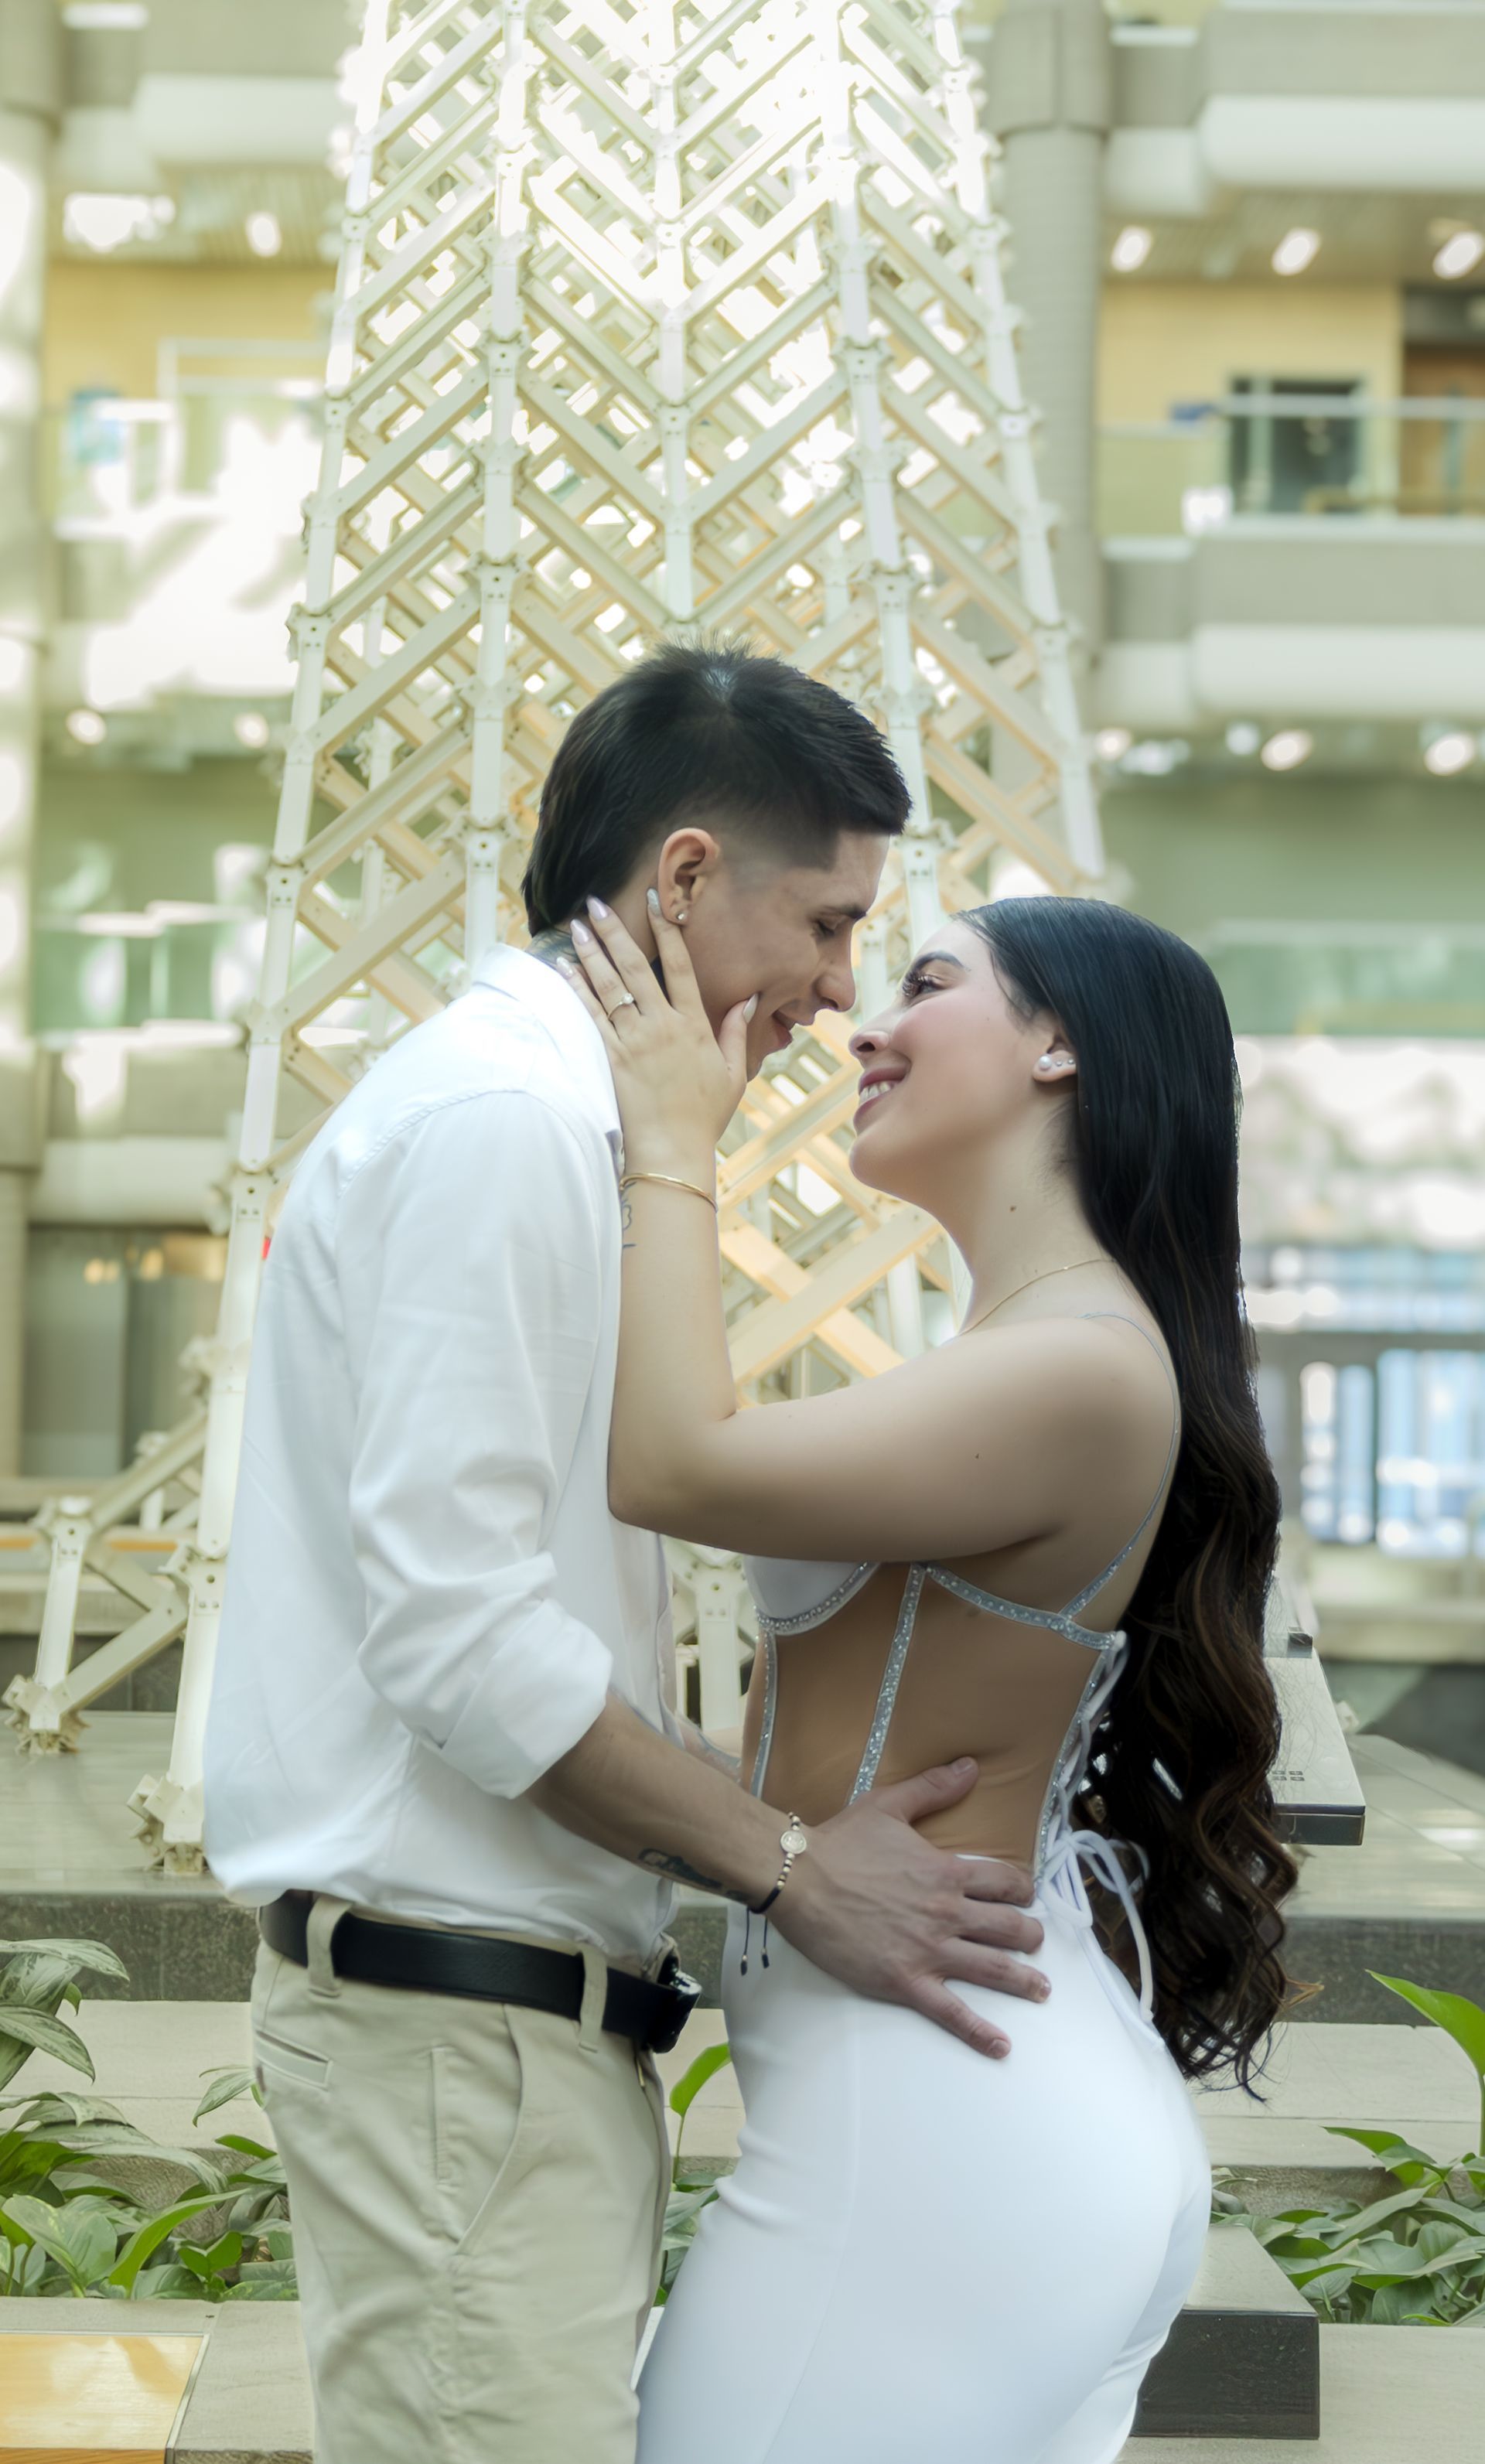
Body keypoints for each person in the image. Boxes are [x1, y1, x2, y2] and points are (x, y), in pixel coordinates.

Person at [201, 643, 1052, 2464]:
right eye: (828, 926)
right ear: (680, 877)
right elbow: (456, 1637)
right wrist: (788, 1867)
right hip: (459, 2029)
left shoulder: (563, 1122)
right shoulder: (508, 1124)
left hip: (498, 2034)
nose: (837, 993)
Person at [560, 888, 1298, 2464]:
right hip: (964, 2118)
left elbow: (672, 1461)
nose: (864, 1025)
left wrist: (674, 1136)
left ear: (1060, 1048)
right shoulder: (1042, 1347)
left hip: (937, 2137)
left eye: (926, 981)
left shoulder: (1081, 1365)